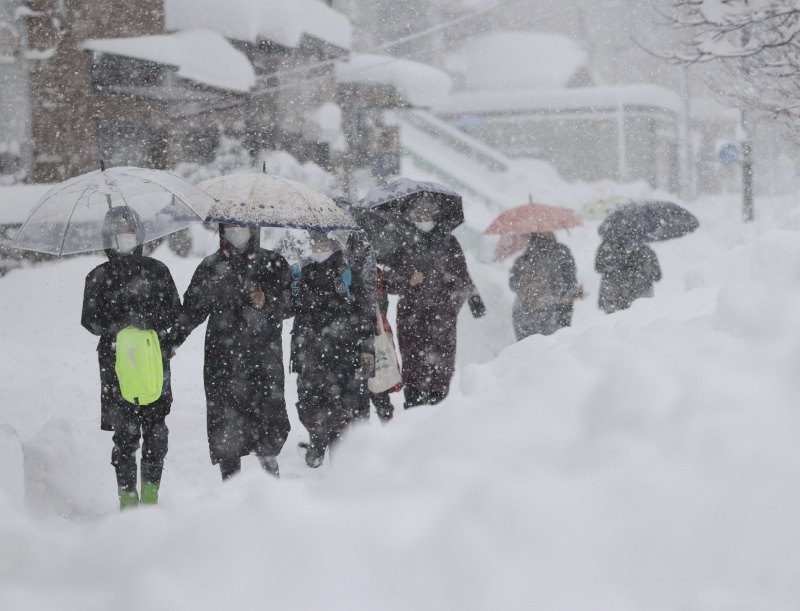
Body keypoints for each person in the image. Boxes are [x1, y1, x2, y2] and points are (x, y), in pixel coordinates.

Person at [81, 207, 181, 510]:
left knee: (156, 431)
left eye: (128, 230)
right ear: (107, 236)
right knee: (124, 436)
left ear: (139, 234)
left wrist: (154, 326)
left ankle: (150, 496)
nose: (123, 236)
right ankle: (127, 499)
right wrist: (120, 323)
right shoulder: (98, 276)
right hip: (115, 366)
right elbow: (90, 321)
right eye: (117, 231)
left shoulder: (157, 271)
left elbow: (174, 314)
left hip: (153, 362)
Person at [175, 224, 292, 480]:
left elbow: (292, 303)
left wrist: (268, 300)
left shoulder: (273, 263)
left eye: (240, 225)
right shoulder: (210, 267)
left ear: (252, 227)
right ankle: (231, 500)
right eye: (229, 226)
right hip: (223, 364)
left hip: (264, 362)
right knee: (227, 435)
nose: (235, 231)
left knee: (267, 435)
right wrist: (172, 341)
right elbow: (192, 310)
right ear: (221, 229)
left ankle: (273, 496)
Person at [385, 195, 485, 409]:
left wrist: (470, 299)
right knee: (414, 370)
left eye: (427, 214)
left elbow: (461, 275)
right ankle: (414, 411)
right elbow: (389, 281)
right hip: (411, 317)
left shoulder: (448, 242)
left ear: (435, 215)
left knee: (440, 372)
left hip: (441, 318)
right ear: (411, 217)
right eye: (418, 215)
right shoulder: (402, 243)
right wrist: (408, 279)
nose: (423, 218)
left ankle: (437, 418)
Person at [291, 232, 375, 468]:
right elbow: (291, 307)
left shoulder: (347, 272)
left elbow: (363, 312)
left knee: (339, 407)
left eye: (325, 242)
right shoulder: (300, 272)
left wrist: (366, 348)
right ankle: (317, 445)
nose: (320, 247)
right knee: (309, 403)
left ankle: (337, 463)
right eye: (316, 243)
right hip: (309, 352)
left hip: (341, 351)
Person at [509, 232, 581, 340]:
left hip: (523, 312)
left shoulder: (523, 259)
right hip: (553, 311)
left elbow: (513, 284)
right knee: (552, 348)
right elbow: (567, 282)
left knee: (525, 350)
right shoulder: (561, 252)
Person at [595, 239, 662, 314]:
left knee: (613, 320)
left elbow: (598, 267)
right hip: (639, 295)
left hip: (613, 296)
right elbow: (656, 275)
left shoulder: (607, 247)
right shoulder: (645, 250)